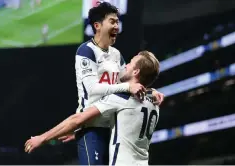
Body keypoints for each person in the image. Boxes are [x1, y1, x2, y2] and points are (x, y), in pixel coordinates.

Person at [26, 2, 164, 165]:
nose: (117, 27)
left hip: (111, 125)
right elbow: (93, 90)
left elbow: (133, 79)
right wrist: (130, 87)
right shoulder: (87, 51)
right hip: (91, 126)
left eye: (117, 22)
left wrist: (150, 91)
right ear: (98, 26)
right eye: (112, 22)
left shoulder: (117, 55)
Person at [25, 51, 160, 166]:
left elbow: (76, 119)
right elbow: (125, 123)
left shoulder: (123, 97)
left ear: (136, 71)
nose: (125, 66)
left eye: (130, 63)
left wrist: (42, 138)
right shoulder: (154, 102)